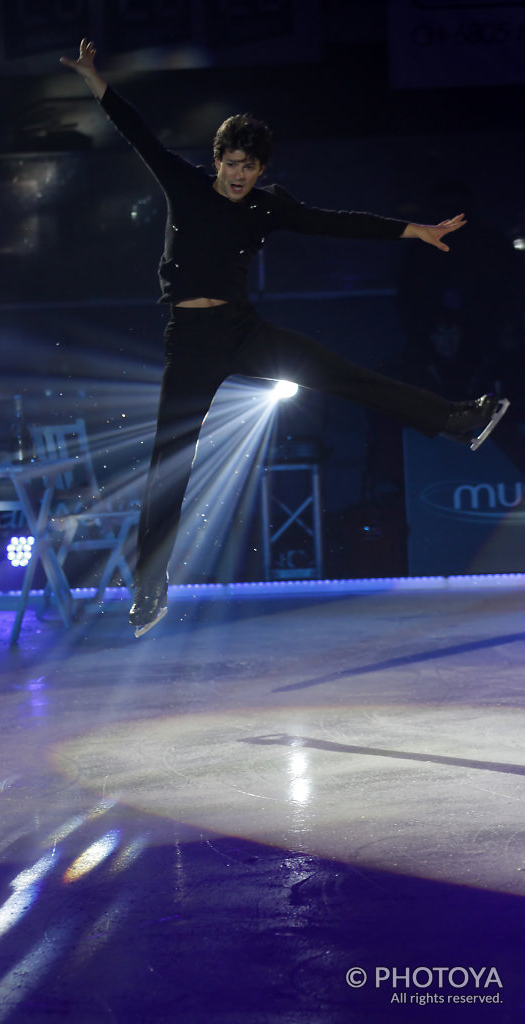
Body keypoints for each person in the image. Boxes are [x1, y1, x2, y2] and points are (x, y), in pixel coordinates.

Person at [61, 39, 509, 638]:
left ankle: (458, 420)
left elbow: (336, 223)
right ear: (216, 160)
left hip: (242, 330)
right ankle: (148, 588)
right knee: (169, 465)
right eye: (232, 163)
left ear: (261, 169)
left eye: (251, 166)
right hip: (190, 342)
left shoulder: (267, 208)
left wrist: (414, 231)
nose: (240, 174)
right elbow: (137, 131)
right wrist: (94, 80)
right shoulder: (185, 184)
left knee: (345, 374)